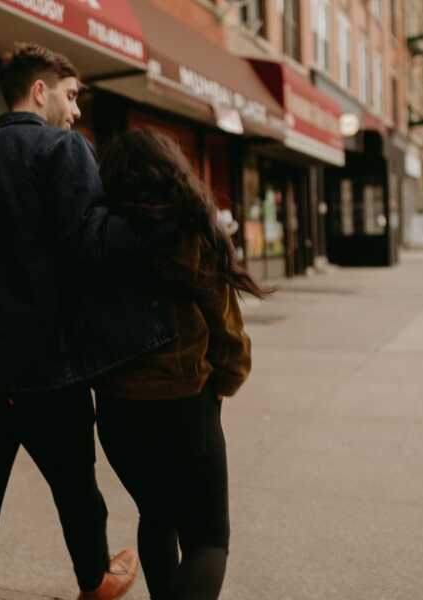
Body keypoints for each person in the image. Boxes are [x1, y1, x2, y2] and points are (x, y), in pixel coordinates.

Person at [0, 44, 176, 600]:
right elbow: (93, 245)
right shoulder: (63, 149)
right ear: (40, 90)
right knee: (78, 494)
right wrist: (163, 226)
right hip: (46, 373)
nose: (76, 110)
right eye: (70, 95)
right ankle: (95, 585)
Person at [92, 129, 271, 600]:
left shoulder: (94, 236)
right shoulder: (191, 232)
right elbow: (228, 330)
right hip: (185, 407)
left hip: (117, 413)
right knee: (208, 538)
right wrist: (223, 384)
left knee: (156, 515)